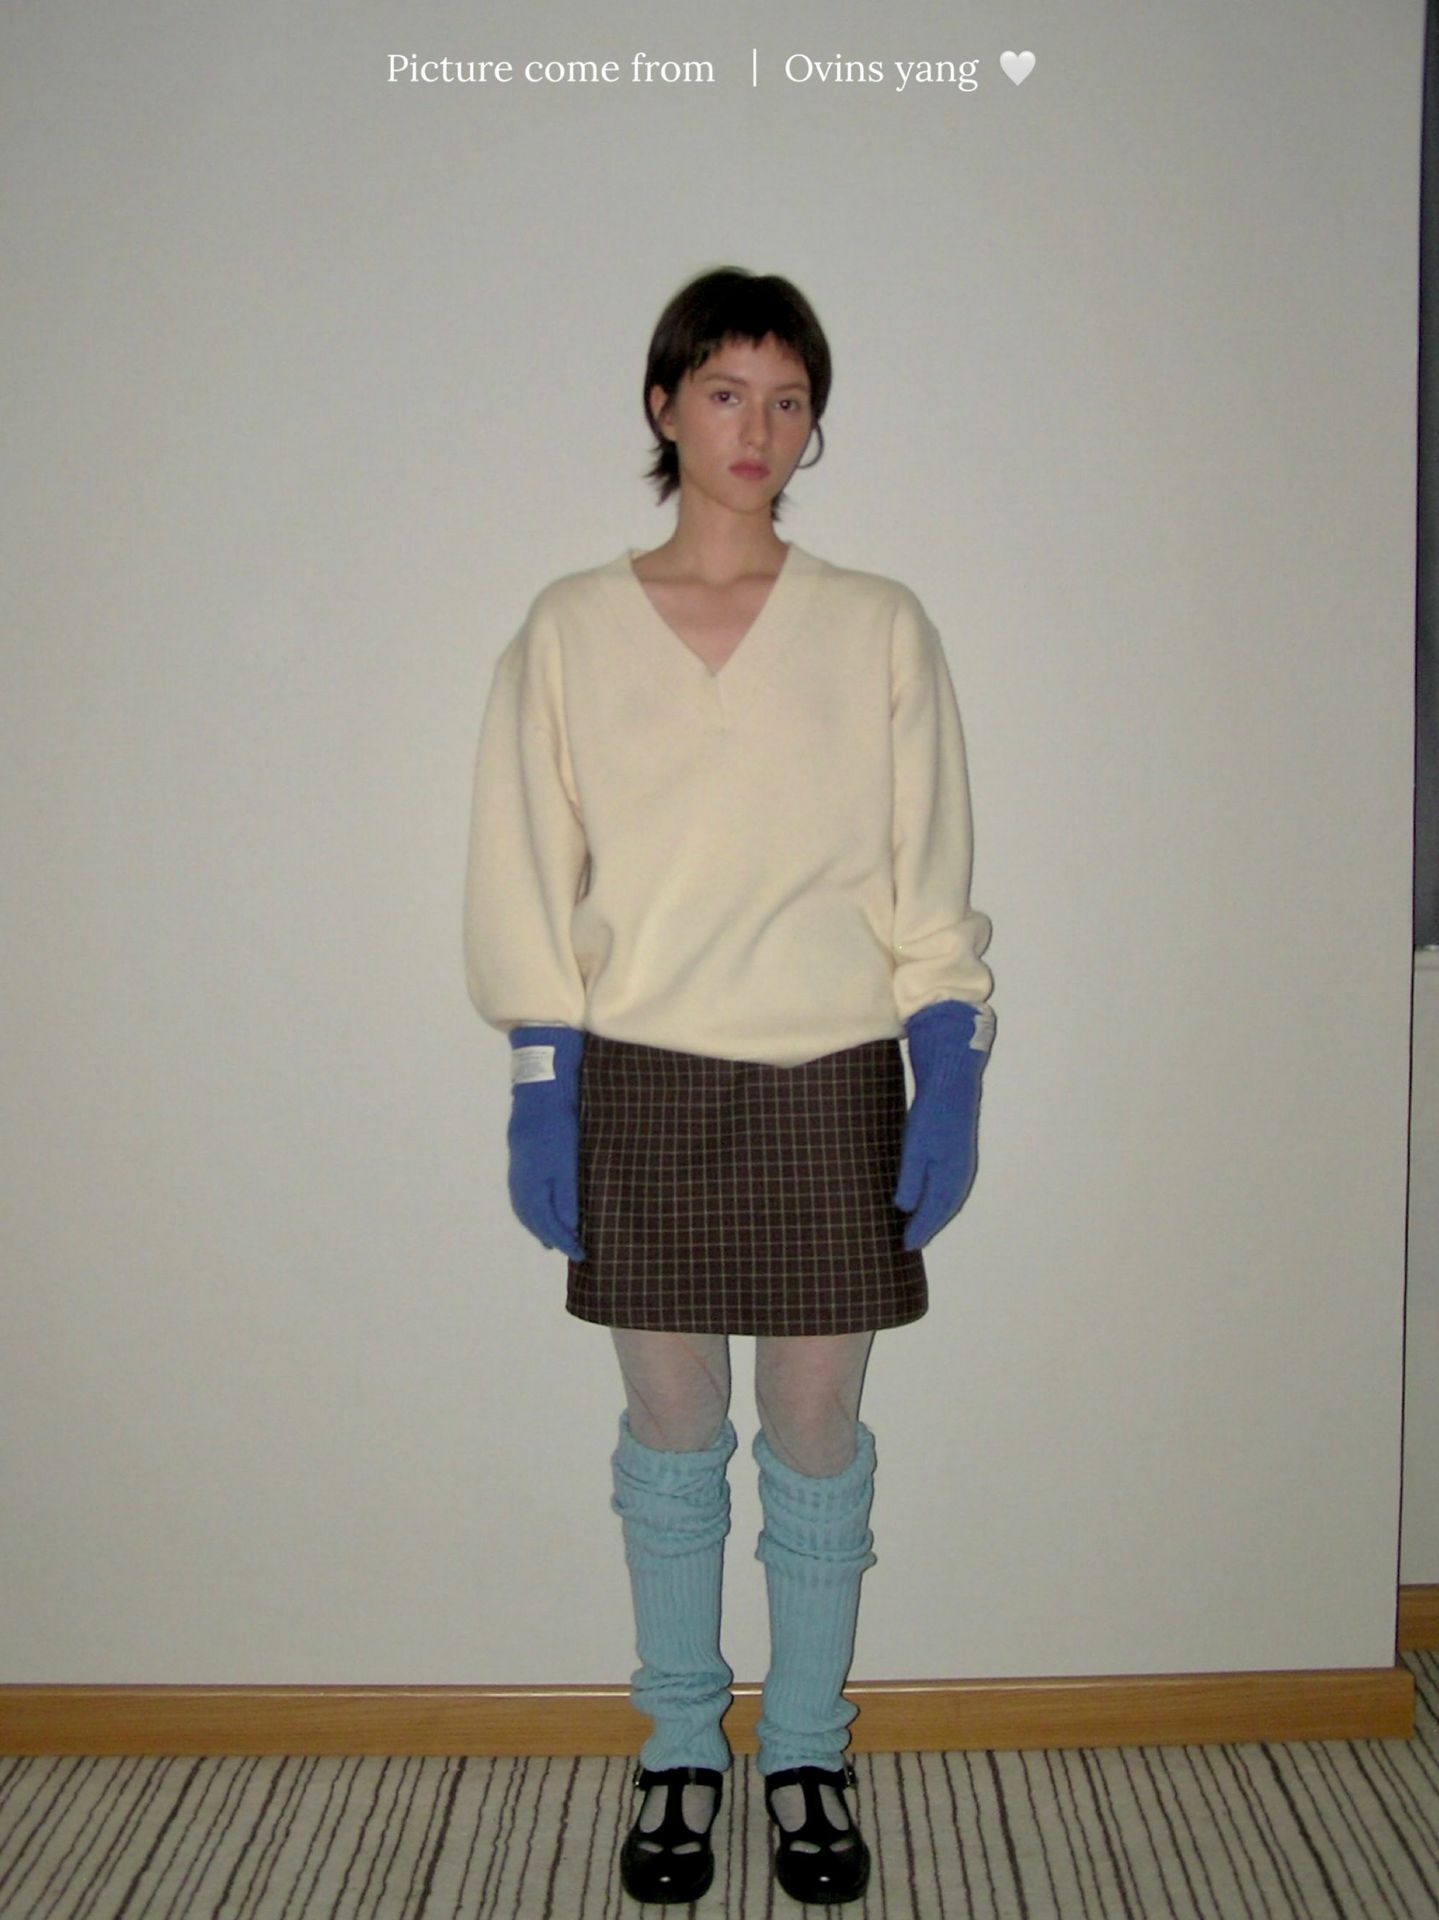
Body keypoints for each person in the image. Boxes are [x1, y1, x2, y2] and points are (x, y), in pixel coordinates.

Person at [463, 265, 994, 1907]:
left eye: (787, 400)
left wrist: (949, 1060)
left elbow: (928, 867)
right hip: (643, 1077)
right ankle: (684, 1744)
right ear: (663, 406)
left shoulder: (878, 624)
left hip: (831, 1074)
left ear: (810, 423)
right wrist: (541, 1077)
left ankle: (810, 1749)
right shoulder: (568, 628)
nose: (756, 428)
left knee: (817, 1427)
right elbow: (523, 866)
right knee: (673, 1426)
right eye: (723, 392)